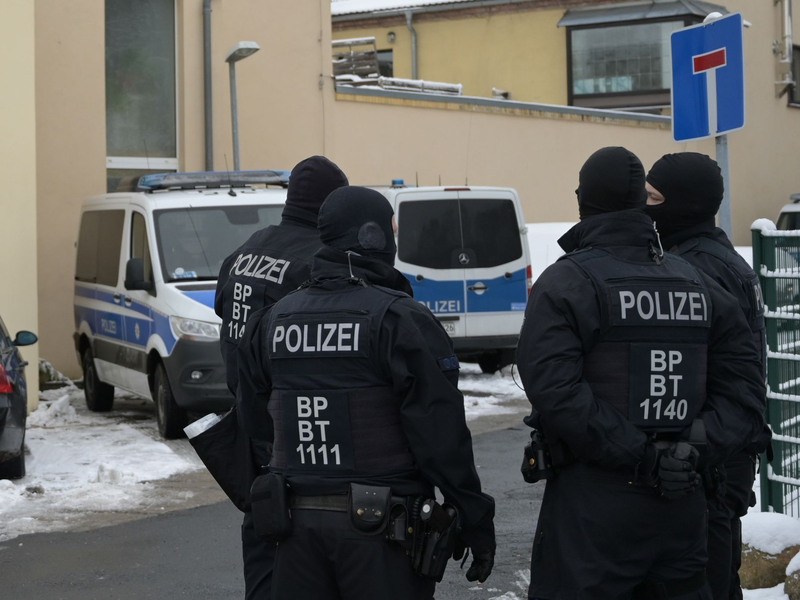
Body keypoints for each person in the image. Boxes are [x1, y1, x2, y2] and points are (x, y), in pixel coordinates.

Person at [516, 147, 766, 600]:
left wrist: (645, 457)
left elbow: (556, 392)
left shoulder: (567, 283)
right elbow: (745, 391)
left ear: (582, 200)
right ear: (639, 205)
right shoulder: (699, 282)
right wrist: (687, 451)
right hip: (682, 502)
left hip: (594, 507)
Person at [236, 186, 496, 599]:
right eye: (393, 229)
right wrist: (473, 517)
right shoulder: (399, 320)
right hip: (381, 535)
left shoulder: (270, 321)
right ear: (373, 236)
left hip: (294, 528)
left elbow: (253, 420)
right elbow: (440, 435)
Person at [214, 156, 348, 600]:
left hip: (247, 419)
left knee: (262, 540)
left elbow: (222, 311)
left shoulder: (248, 248)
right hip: (293, 431)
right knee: (300, 562)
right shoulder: (315, 259)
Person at [645, 152, 769, 600]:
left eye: (653, 197)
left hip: (711, 461)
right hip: (721, 454)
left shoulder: (701, 268)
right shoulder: (716, 256)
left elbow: (722, 378)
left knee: (707, 583)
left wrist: (689, 448)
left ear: (685, 203)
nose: (644, 206)